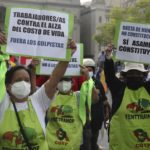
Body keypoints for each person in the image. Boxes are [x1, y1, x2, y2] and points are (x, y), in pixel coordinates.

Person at [0, 33, 77, 149]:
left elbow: (55, 78)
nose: (23, 83)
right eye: (18, 80)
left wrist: (67, 56)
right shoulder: (2, 103)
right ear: (8, 86)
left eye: (27, 80)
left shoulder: (38, 100)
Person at [104, 44, 150, 150]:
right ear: (125, 75)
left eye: (138, 73)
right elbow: (110, 76)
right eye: (131, 73)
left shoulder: (148, 88)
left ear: (143, 75)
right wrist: (108, 57)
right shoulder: (119, 89)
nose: (135, 76)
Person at [46, 64, 99, 150]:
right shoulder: (50, 96)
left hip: (73, 146)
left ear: (72, 82)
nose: (63, 83)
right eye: (61, 80)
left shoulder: (78, 96)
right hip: (51, 145)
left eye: (66, 80)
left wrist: (88, 78)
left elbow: (95, 98)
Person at [80, 58, 110, 150]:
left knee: (93, 143)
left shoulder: (97, 83)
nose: (88, 72)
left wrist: (106, 112)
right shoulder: (78, 83)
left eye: (90, 70)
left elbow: (104, 100)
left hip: (95, 120)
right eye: (86, 69)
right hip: (81, 121)